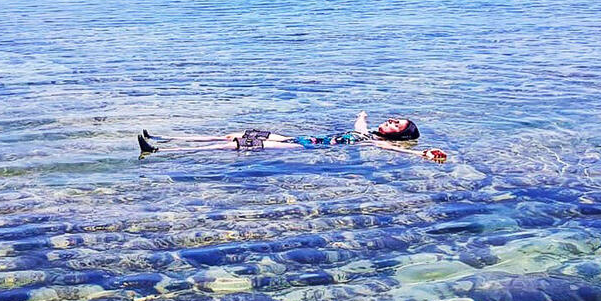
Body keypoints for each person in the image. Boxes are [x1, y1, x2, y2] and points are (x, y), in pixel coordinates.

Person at [137, 112, 447, 162]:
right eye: (393, 118)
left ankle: (159, 152)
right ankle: (166, 137)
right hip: (297, 138)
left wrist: (422, 154)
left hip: (299, 148)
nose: (390, 121)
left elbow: (402, 153)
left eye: (397, 124)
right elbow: (359, 122)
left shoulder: (377, 142)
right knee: (237, 132)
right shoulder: (365, 132)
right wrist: (363, 114)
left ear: (400, 136)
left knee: (236, 145)